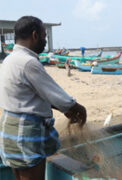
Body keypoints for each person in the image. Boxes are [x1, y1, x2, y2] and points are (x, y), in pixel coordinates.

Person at [0, 16, 87, 180]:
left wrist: (63, 108)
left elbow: (30, 95)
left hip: (9, 130)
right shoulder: (28, 62)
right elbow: (55, 94)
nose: (45, 41)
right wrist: (77, 109)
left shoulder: (9, 59)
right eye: (44, 36)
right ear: (35, 35)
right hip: (26, 134)